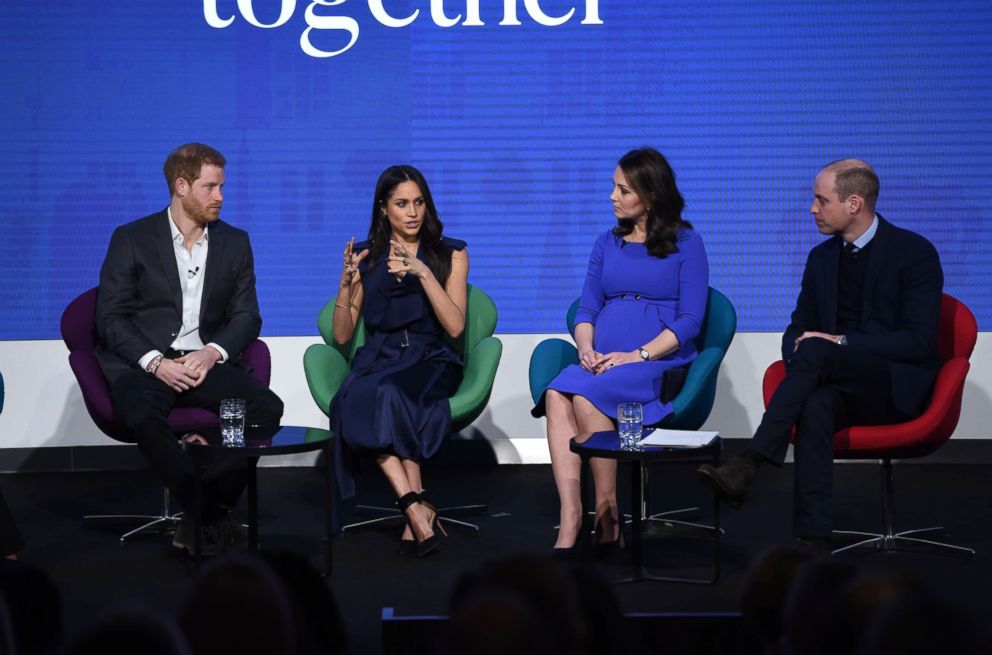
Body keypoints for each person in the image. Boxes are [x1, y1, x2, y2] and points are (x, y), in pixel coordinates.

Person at [698, 159, 943, 550]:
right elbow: (797, 329)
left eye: (820, 200)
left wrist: (839, 344)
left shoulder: (914, 253)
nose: (812, 209)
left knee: (818, 350)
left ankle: (751, 462)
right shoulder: (822, 259)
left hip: (891, 388)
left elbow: (918, 342)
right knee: (815, 402)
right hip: (837, 386)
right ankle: (813, 540)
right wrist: (806, 356)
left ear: (854, 203)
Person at [94, 143, 284, 555]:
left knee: (268, 408)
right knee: (141, 413)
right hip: (148, 366)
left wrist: (211, 352)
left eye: (221, 187)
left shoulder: (235, 242)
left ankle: (201, 513)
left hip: (203, 364)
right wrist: (156, 362)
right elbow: (109, 317)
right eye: (210, 186)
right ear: (181, 186)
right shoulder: (132, 238)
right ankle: (208, 514)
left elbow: (247, 316)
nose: (220, 196)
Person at [531, 147, 709, 554]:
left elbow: (690, 321)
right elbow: (587, 306)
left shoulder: (687, 243)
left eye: (622, 189)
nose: (612, 196)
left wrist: (639, 355)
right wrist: (586, 348)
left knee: (589, 393)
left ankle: (609, 513)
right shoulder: (606, 242)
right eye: (613, 186)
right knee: (558, 393)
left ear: (650, 196)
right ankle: (573, 515)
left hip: (657, 360)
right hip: (605, 357)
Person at [329, 164, 468, 558]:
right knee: (352, 396)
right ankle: (415, 506)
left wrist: (423, 271)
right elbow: (342, 334)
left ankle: (414, 510)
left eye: (419, 202)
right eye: (402, 203)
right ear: (383, 208)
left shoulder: (450, 254)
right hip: (379, 357)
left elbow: (455, 327)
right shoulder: (366, 257)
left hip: (430, 358)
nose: (412, 212)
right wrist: (345, 284)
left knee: (386, 393)